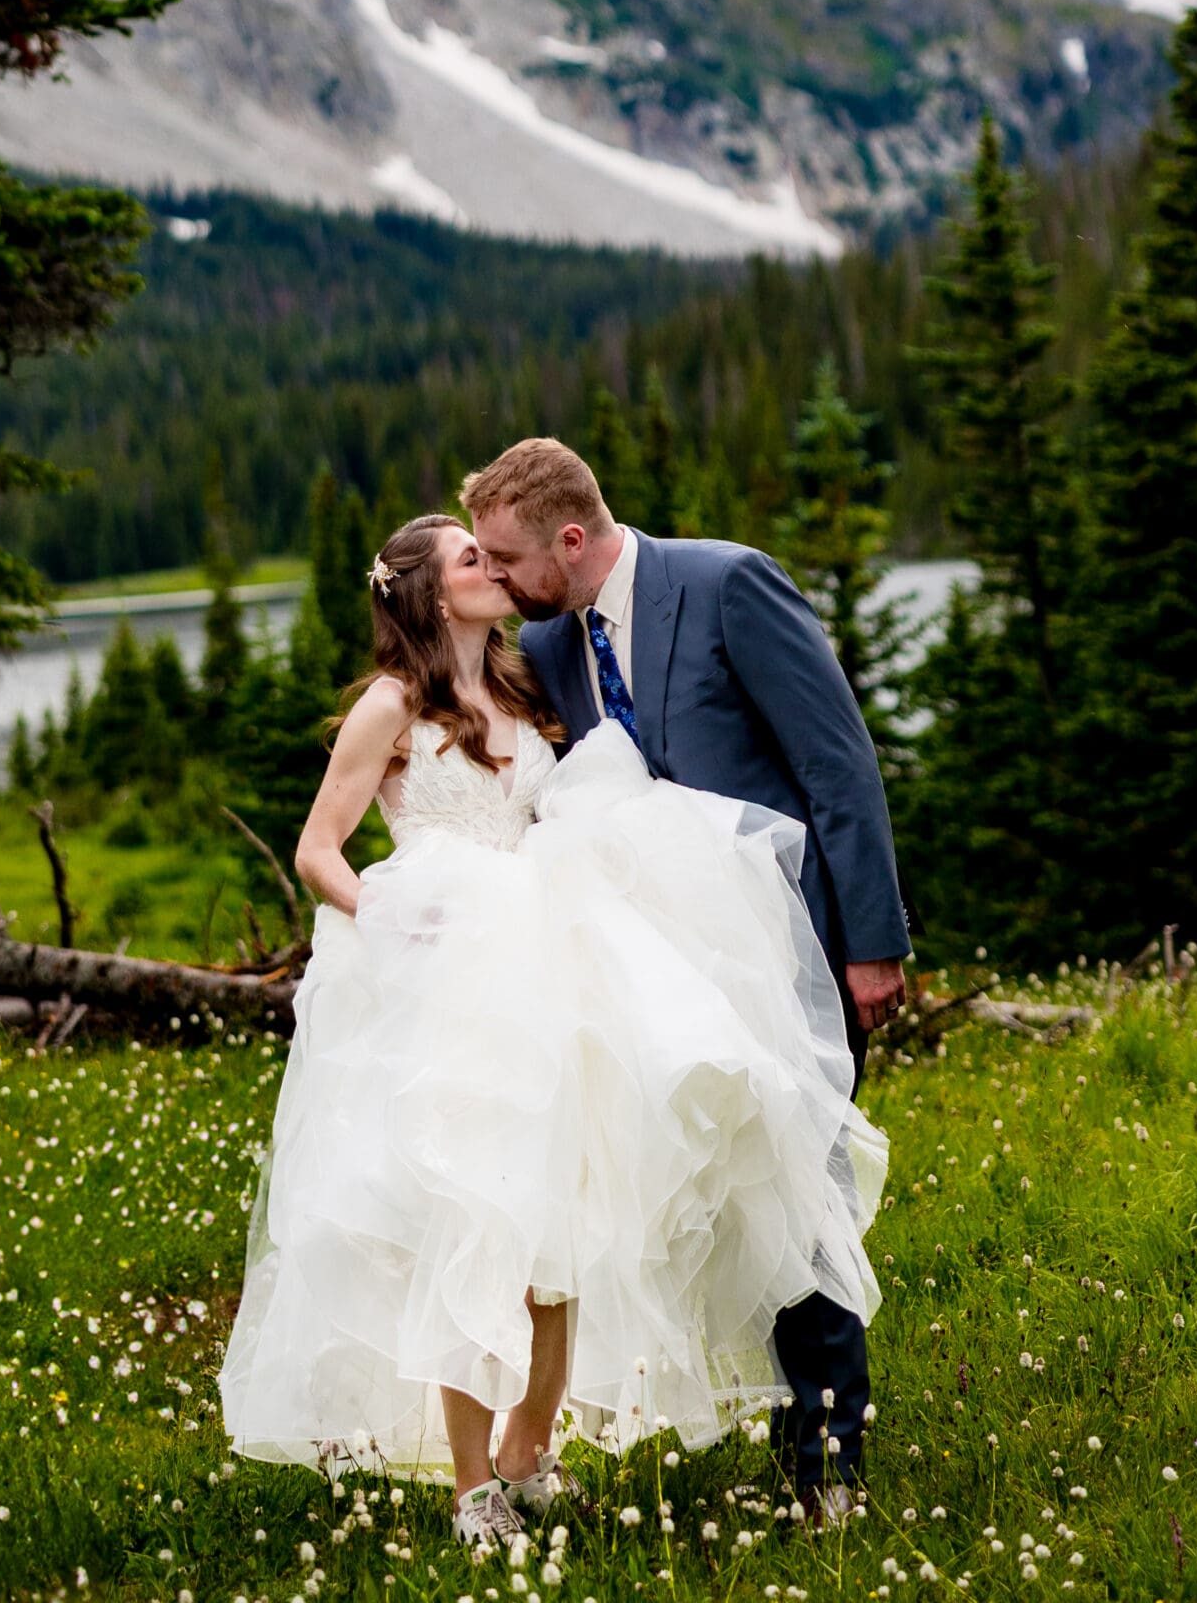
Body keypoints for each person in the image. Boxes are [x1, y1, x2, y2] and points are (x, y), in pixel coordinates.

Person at [219, 512, 887, 1546]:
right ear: (435, 595)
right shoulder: (393, 707)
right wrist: (386, 912)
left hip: (548, 963)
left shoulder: (527, 682)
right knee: (473, 1220)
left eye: (494, 552)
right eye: (472, 559)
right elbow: (319, 848)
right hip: (452, 977)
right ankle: (472, 1479)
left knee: (563, 1223)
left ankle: (533, 1448)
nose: (496, 570)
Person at [465, 438, 911, 1521]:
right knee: (712, 1210)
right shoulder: (545, 639)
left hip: (786, 956)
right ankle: (759, 1422)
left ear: (571, 540)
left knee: (800, 1197)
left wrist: (872, 944)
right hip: (658, 988)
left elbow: (836, 761)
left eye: (505, 554)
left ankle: (826, 1469)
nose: (496, 575)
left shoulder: (725, 584)